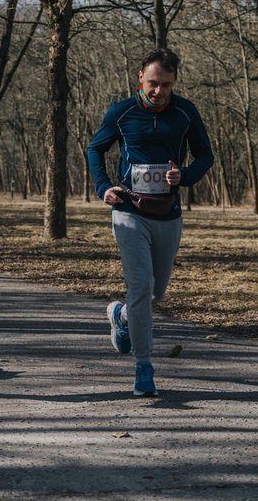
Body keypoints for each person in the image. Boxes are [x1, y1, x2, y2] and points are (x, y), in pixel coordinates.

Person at [86, 48, 214, 396]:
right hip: (129, 210)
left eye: (166, 85)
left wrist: (183, 176)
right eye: (153, 83)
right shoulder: (122, 112)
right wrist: (103, 187)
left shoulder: (186, 112)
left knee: (155, 292)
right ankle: (144, 367)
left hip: (167, 213)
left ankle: (123, 315)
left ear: (175, 83)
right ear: (140, 78)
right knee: (141, 286)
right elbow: (95, 149)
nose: (159, 92)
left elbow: (206, 155)